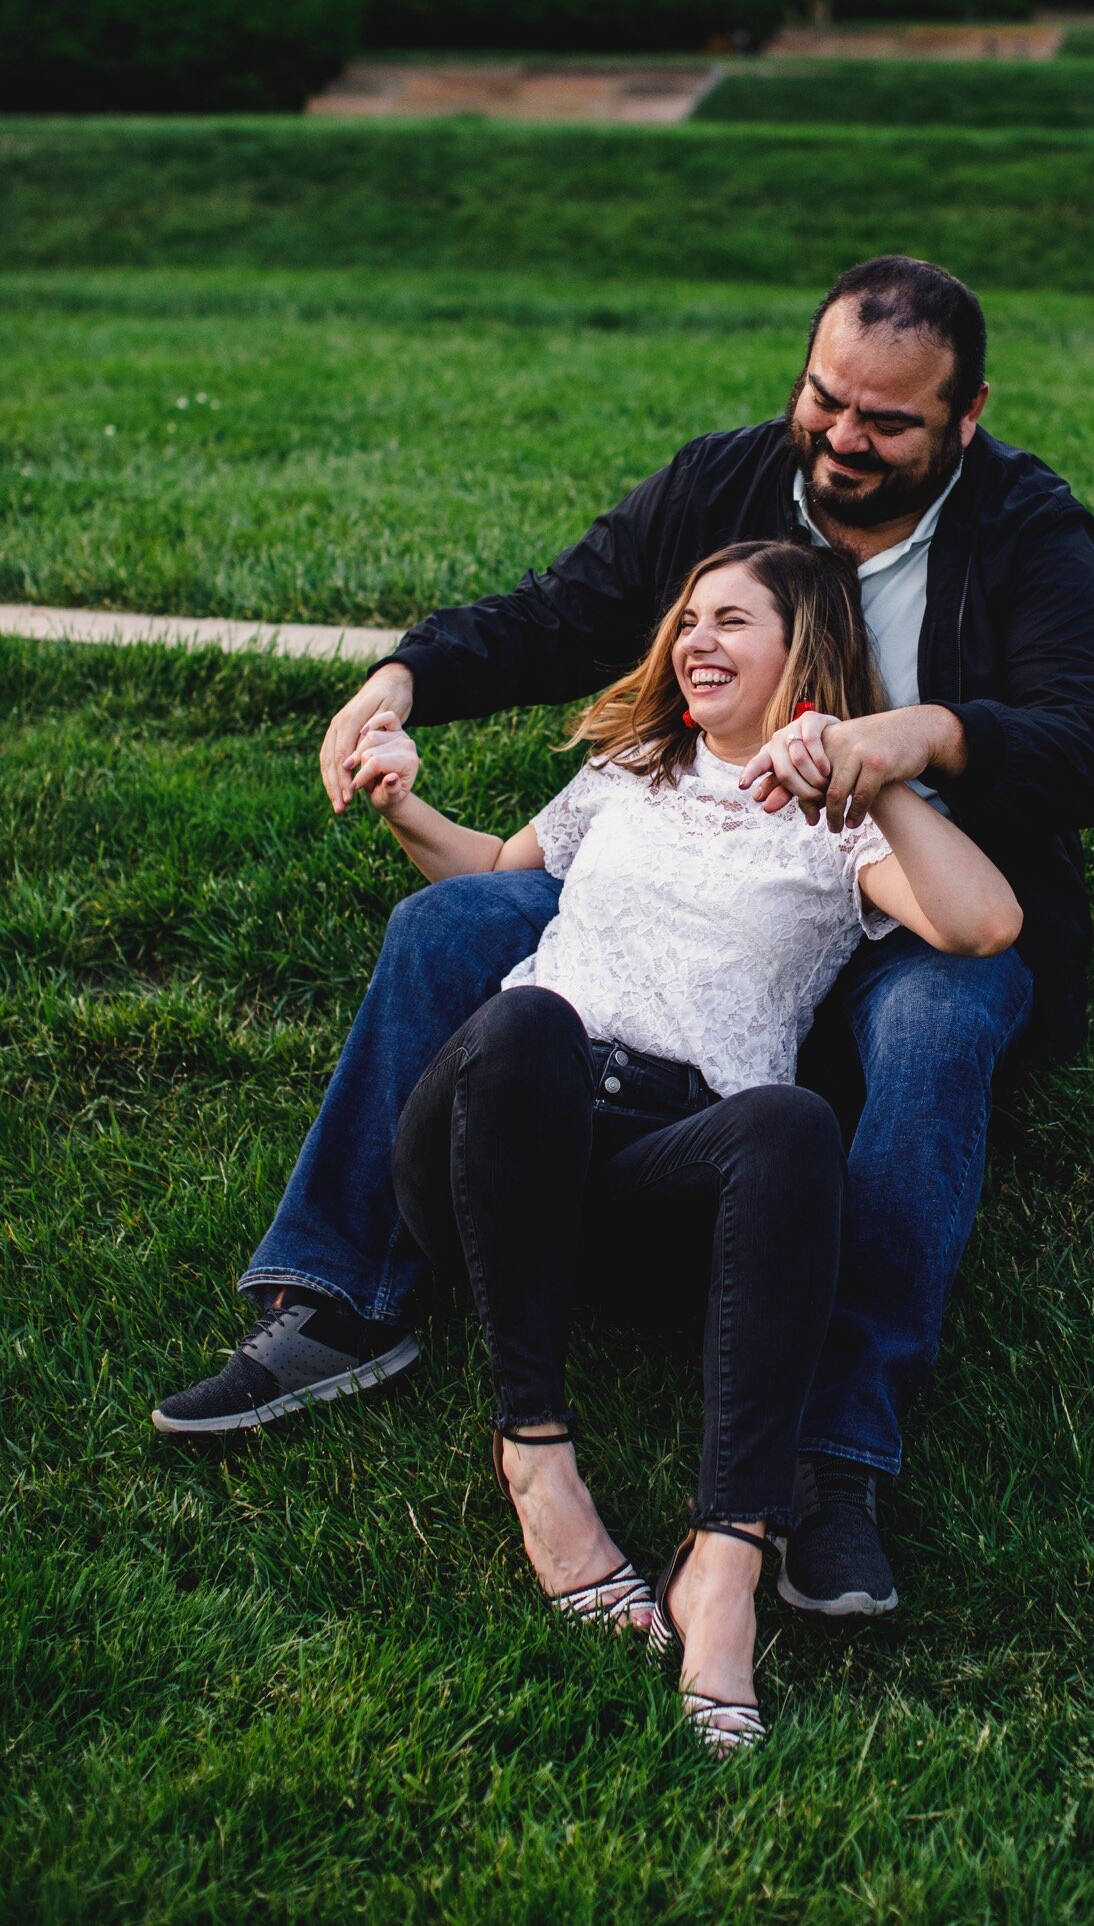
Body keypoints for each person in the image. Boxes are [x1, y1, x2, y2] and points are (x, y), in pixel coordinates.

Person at [153, 254, 1094, 1622]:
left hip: (913, 878)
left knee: (937, 1023)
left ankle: (833, 1456)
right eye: (825, 399)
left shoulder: (1027, 527)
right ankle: (339, 1295)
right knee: (455, 921)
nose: (844, 440)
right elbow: (563, 612)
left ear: (966, 417)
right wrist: (404, 676)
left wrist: (918, 737)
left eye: (889, 422)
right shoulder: (729, 485)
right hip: (707, 855)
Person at [348, 541, 1022, 1751]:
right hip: (499, 1140)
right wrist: (406, 806)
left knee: (791, 1123)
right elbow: (499, 874)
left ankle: (725, 1564)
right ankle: (538, 1463)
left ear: (803, 654)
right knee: (528, 1022)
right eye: (687, 620)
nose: (694, 640)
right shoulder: (629, 770)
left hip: (668, 1174)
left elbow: (983, 923)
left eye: (732, 622)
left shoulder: (841, 824)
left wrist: (875, 773)